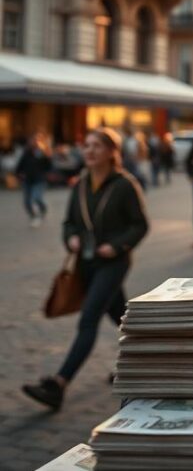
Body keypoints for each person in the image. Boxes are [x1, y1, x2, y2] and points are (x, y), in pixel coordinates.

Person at [22, 128, 148, 411]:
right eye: (87, 145)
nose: (89, 151)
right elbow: (69, 223)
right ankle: (148, 361)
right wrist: (71, 238)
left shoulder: (125, 185)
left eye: (97, 146)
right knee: (123, 317)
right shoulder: (80, 184)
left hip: (113, 263)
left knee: (88, 319)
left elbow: (140, 225)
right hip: (86, 262)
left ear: (111, 152)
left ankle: (58, 384)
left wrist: (117, 246)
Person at [16, 131, 53, 227]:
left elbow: (49, 167)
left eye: (37, 140)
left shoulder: (43, 153)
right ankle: (33, 215)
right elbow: (20, 165)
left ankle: (40, 213)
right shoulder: (26, 152)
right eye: (33, 140)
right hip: (27, 180)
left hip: (39, 180)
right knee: (27, 202)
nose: (35, 142)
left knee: (36, 198)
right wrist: (19, 174)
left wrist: (48, 157)